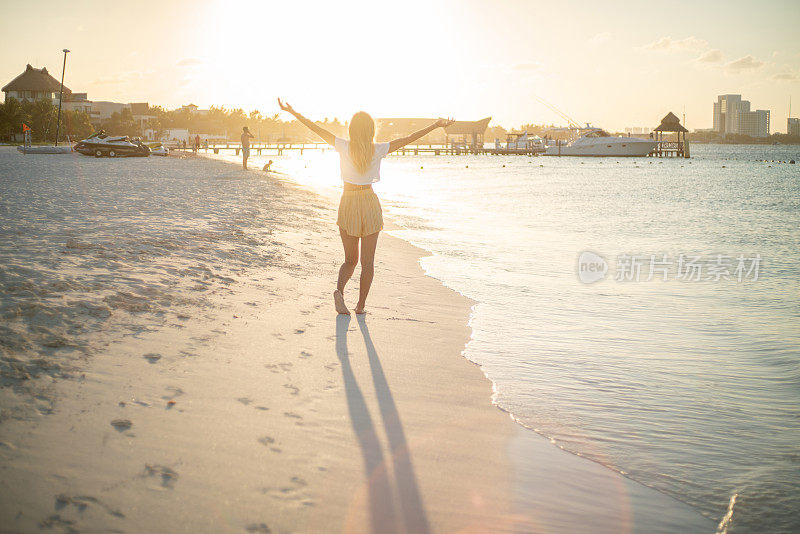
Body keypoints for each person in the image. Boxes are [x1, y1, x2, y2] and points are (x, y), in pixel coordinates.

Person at [278, 98, 453, 315]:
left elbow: (315, 128)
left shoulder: (343, 145)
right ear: (371, 130)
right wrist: (436, 125)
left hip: (348, 201)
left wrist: (293, 111)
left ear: (351, 129)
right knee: (367, 263)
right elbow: (409, 139)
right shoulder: (378, 149)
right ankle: (360, 306)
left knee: (350, 260)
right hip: (369, 202)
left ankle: (339, 292)